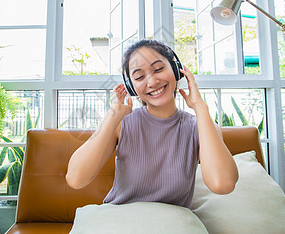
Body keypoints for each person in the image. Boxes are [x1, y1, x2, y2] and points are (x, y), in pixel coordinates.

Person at [66, 39, 238, 208]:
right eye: (139, 76)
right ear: (131, 87)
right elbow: (75, 179)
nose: (152, 81)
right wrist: (112, 117)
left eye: (158, 69)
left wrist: (200, 108)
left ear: (176, 70)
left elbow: (222, 184)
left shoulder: (200, 126)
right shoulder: (122, 124)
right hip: (120, 222)